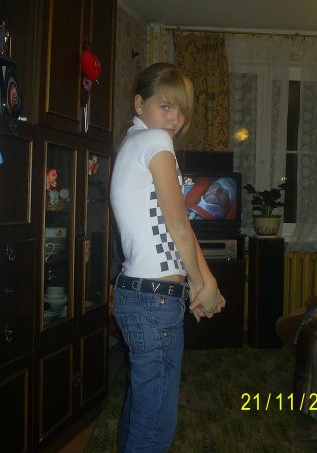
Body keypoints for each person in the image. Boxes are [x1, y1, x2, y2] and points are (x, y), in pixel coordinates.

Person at [110, 63, 226, 452]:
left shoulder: (134, 143)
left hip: (142, 295)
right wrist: (203, 284)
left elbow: (173, 229)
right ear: (138, 103)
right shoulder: (155, 141)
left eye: (181, 110)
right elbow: (178, 227)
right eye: (166, 106)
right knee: (155, 423)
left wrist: (205, 283)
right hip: (153, 300)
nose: (175, 118)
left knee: (142, 410)